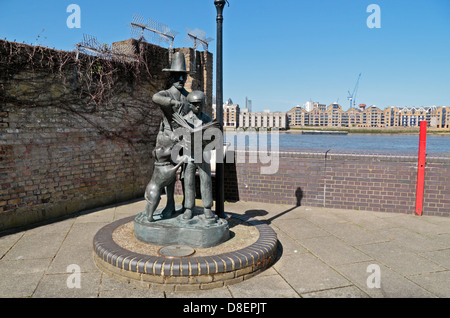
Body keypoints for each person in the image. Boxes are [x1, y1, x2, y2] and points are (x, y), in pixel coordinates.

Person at [149, 52, 190, 218]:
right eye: (177, 76)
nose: (181, 79)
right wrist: (172, 102)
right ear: (172, 77)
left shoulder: (189, 97)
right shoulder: (166, 94)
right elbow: (155, 97)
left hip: (184, 140)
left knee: (187, 173)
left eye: (183, 76)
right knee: (167, 175)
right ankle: (170, 204)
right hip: (167, 139)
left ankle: (188, 206)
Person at [180, 91, 215, 221]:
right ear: (189, 105)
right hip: (189, 155)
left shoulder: (206, 119)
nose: (197, 107)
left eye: (200, 104)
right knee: (189, 183)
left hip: (203, 154)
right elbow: (178, 138)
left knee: (206, 181)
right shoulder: (184, 120)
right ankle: (189, 208)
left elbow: (213, 136)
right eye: (195, 104)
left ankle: (207, 208)